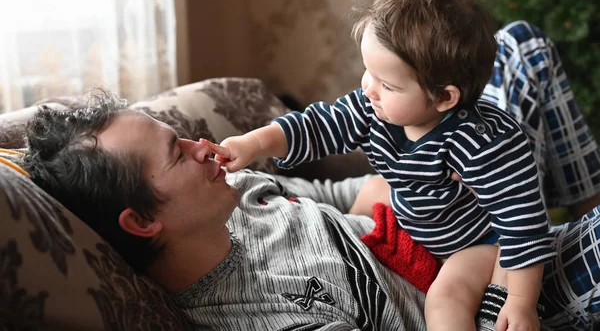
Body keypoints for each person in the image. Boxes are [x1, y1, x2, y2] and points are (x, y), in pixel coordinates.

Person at [20, 20, 600, 330]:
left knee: (520, 45)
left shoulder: (239, 194)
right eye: (178, 152)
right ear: (141, 221)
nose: (204, 146)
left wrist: (440, 181)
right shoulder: (248, 316)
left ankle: (575, 208)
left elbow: (352, 191)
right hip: (485, 303)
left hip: (453, 219)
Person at [199, 0, 552, 331]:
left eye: (388, 84)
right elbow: (317, 126)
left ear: (444, 98)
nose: (369, 88)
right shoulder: (373, 108)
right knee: (370, 196)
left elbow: (523, 221)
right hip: (424, 218)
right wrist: (253, 143)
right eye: (369, 71)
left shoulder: (479, 141)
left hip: (478, 241)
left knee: (445, 298)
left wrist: (522, 302)